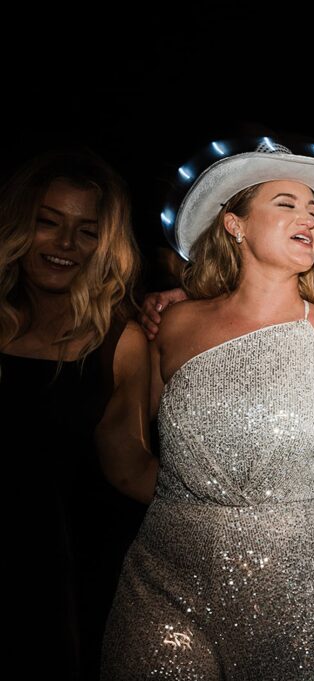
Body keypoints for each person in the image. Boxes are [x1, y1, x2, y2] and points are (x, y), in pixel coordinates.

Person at [101, 139, 314, 680]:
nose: (308, 220)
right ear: (235, 224)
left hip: (290, 589)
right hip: (165, 577)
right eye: (287, 204)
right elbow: (133, 447)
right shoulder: (174, 326)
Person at [0, 149, 155, 677]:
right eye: (48, 223)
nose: (66, 245)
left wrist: (239, 508)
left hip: (45, 576)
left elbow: (130, 467)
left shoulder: (119, 341)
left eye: (87, 231)